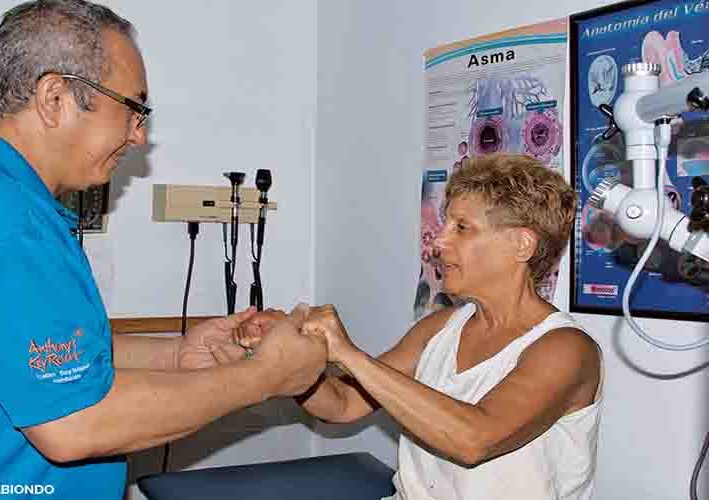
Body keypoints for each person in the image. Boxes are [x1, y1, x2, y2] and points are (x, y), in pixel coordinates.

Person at [0, 1, 326, 498]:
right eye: (132, 108)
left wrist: (177, 354)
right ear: (55, 98)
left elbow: (29, 358)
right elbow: (76, 422)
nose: (139, 135)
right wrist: (266, 376)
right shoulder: (0, 227)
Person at [239, 153, 603, 500]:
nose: (438, 241)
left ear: (521, 244)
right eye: (445, 225)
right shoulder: (439, 328)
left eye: (461, 228)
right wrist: (287, 356)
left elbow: (475, 439)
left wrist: (349, 355)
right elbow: (343, 403)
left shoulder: (566, 349)